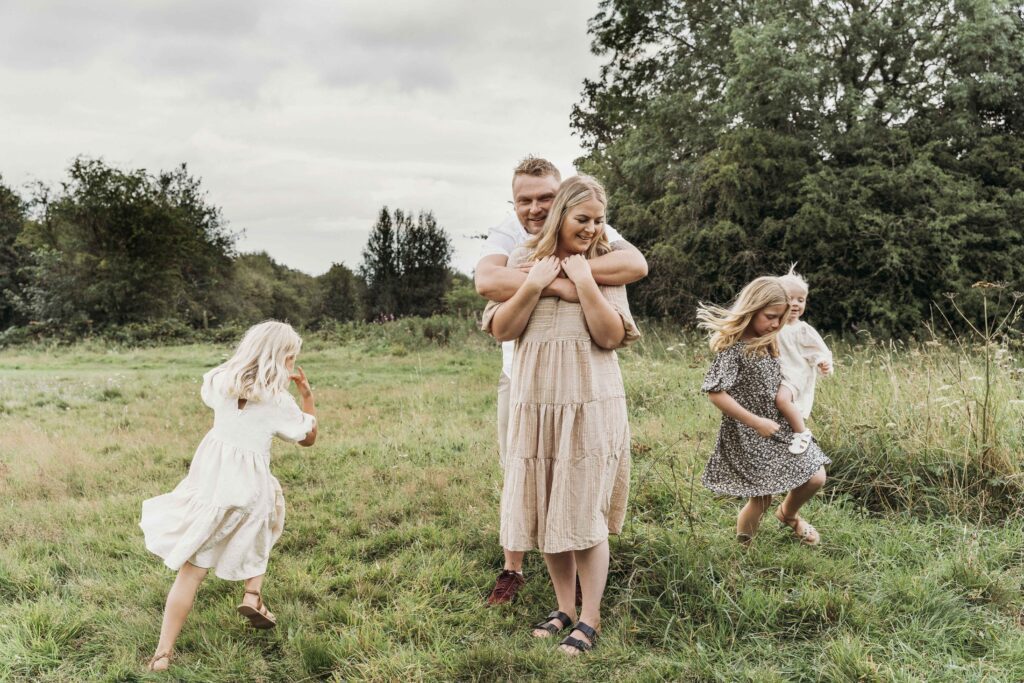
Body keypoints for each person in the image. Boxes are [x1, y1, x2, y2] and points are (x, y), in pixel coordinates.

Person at [474, 155, 647, 606]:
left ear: (560, 202)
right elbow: (497, 316)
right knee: (539, 493)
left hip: (588, 398)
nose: (533, 207)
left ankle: (590, 614)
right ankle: (560, 606)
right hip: (533, 397)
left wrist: (580, 281)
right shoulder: (518, 254)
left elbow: (613, 330)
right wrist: (537, 283)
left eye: (544, 198)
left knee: (583, 502)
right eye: (523, 200)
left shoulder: (602, 253)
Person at [139, 320, 317, 672]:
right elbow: (308, 438)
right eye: (290, 358)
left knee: (190, 573)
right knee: (266, 520)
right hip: (250, 487)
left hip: (213, 484)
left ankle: (162, 655)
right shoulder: (278, 401)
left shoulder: (220, 382)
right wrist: (307, 396)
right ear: (282, 359)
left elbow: (217, 386)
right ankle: (252, 592)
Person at [696, 277, 830, 546]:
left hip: (779, 425)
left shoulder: (768, 339)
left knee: (816, 476)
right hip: (751, 431)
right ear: (751, 310)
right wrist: (755, 421)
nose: (776, 324)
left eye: (780, 318)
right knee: (760, 498)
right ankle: (744, 548)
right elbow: (715, 393)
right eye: (770, 317)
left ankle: (788, 514)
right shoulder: (733, 350)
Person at [774, 265, 834, 454]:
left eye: (801, 300)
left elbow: (820, 350)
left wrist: (823, 363)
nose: (796, 304)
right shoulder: (773, 325)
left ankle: (802, 433)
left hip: (795, 375)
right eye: (790, 298)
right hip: (780, 374)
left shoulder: (802, 329)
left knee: (782, 400)